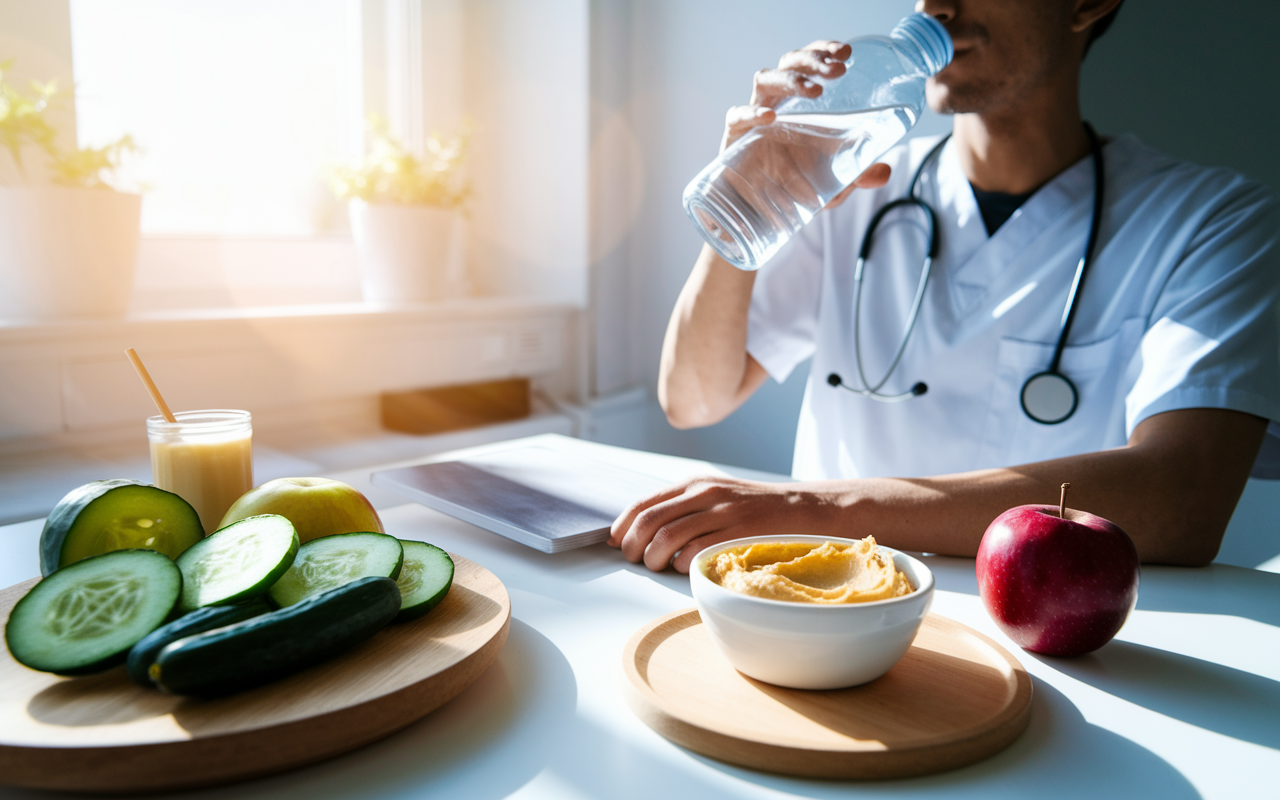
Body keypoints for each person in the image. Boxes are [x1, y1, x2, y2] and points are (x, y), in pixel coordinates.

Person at [608, 0, 1280, 572]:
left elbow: (1184, 499)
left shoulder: (1212, 221)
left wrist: (811, 507)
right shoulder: (848, 179)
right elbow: (692, 397)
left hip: (1048, 651)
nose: (935, 3)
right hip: (827, 609)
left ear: (1088, 3)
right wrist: (749, 194)